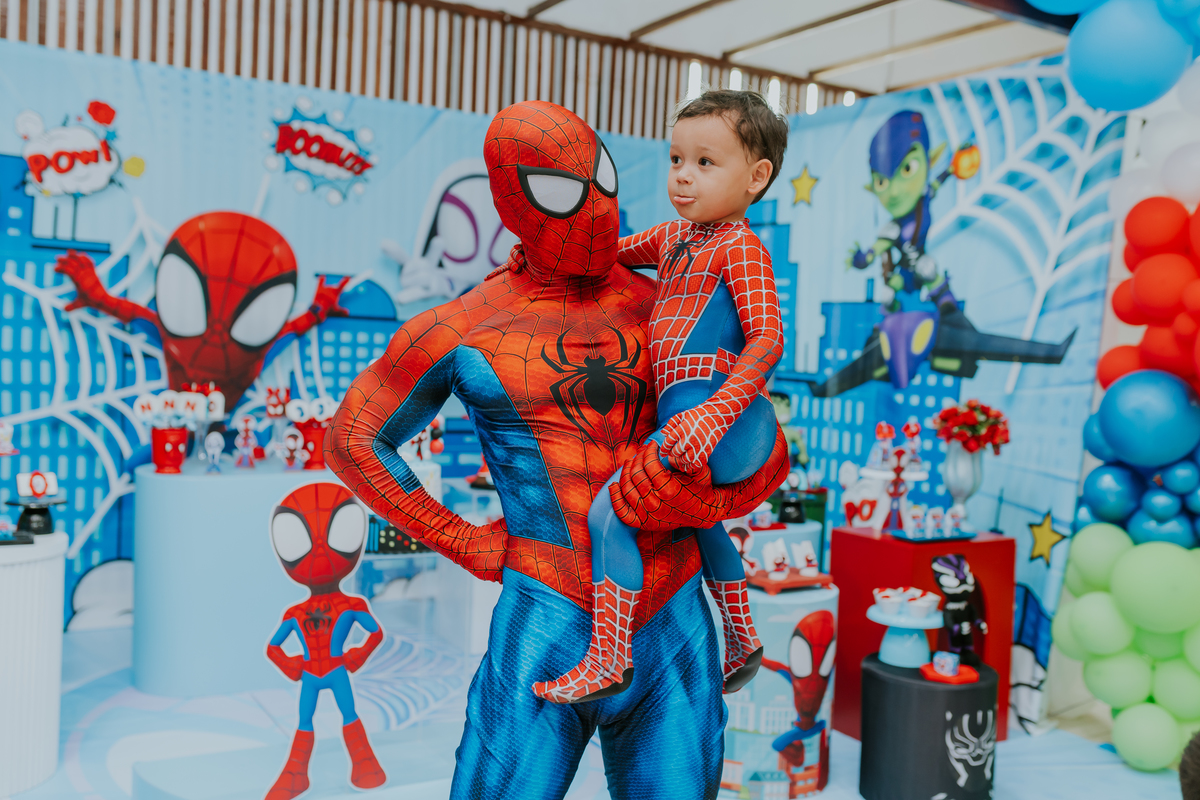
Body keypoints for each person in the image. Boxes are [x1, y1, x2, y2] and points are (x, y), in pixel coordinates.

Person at [326, 100, 789, 800]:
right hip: (547, 613)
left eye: (603, 179)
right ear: (511, 201)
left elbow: (761, 441)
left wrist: (704, 498)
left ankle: (739, 628)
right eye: (562, 190)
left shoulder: (666, 297)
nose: (597, 208)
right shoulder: (467, 325)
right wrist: (465, 541)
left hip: (670, 614)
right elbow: (352, 437)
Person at [535, 89, 789, 704]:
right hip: (688, 415)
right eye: (676, 159)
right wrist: (542, 256)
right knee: (696, 520)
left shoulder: (741, 247)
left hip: (722, 417)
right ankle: (742, 637)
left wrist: (713, 415)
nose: (683, 175)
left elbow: (768, 338)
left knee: (610, 514)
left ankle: (608, 659)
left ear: (757, 177)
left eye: (705, 162)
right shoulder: (674, 239)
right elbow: (603, 257)